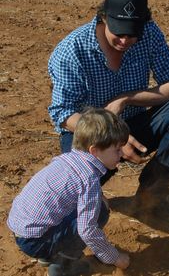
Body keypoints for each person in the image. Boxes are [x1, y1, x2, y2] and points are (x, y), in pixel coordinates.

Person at [47, 0, 169, 217]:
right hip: (90, 138)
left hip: (134, 124)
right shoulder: (71, 51)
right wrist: (111, 135)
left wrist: (126, 98)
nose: (125, 40)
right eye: (119, 32)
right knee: (83, 208)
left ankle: (151, 197)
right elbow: (63, 113)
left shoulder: (150, 33)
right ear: (103, 17)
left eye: (133, 33)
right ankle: (85, 207)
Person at [8, 108, 131, 276]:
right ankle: (62, 266)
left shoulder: (66, 159)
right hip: (35, 241)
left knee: (94, 203)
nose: (121, 154)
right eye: (117, 150)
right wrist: (114, 258)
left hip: (21, 229)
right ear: (94, 151)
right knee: (100, 212)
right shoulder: (88, 179)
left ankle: (49, 254)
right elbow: (87, 231)